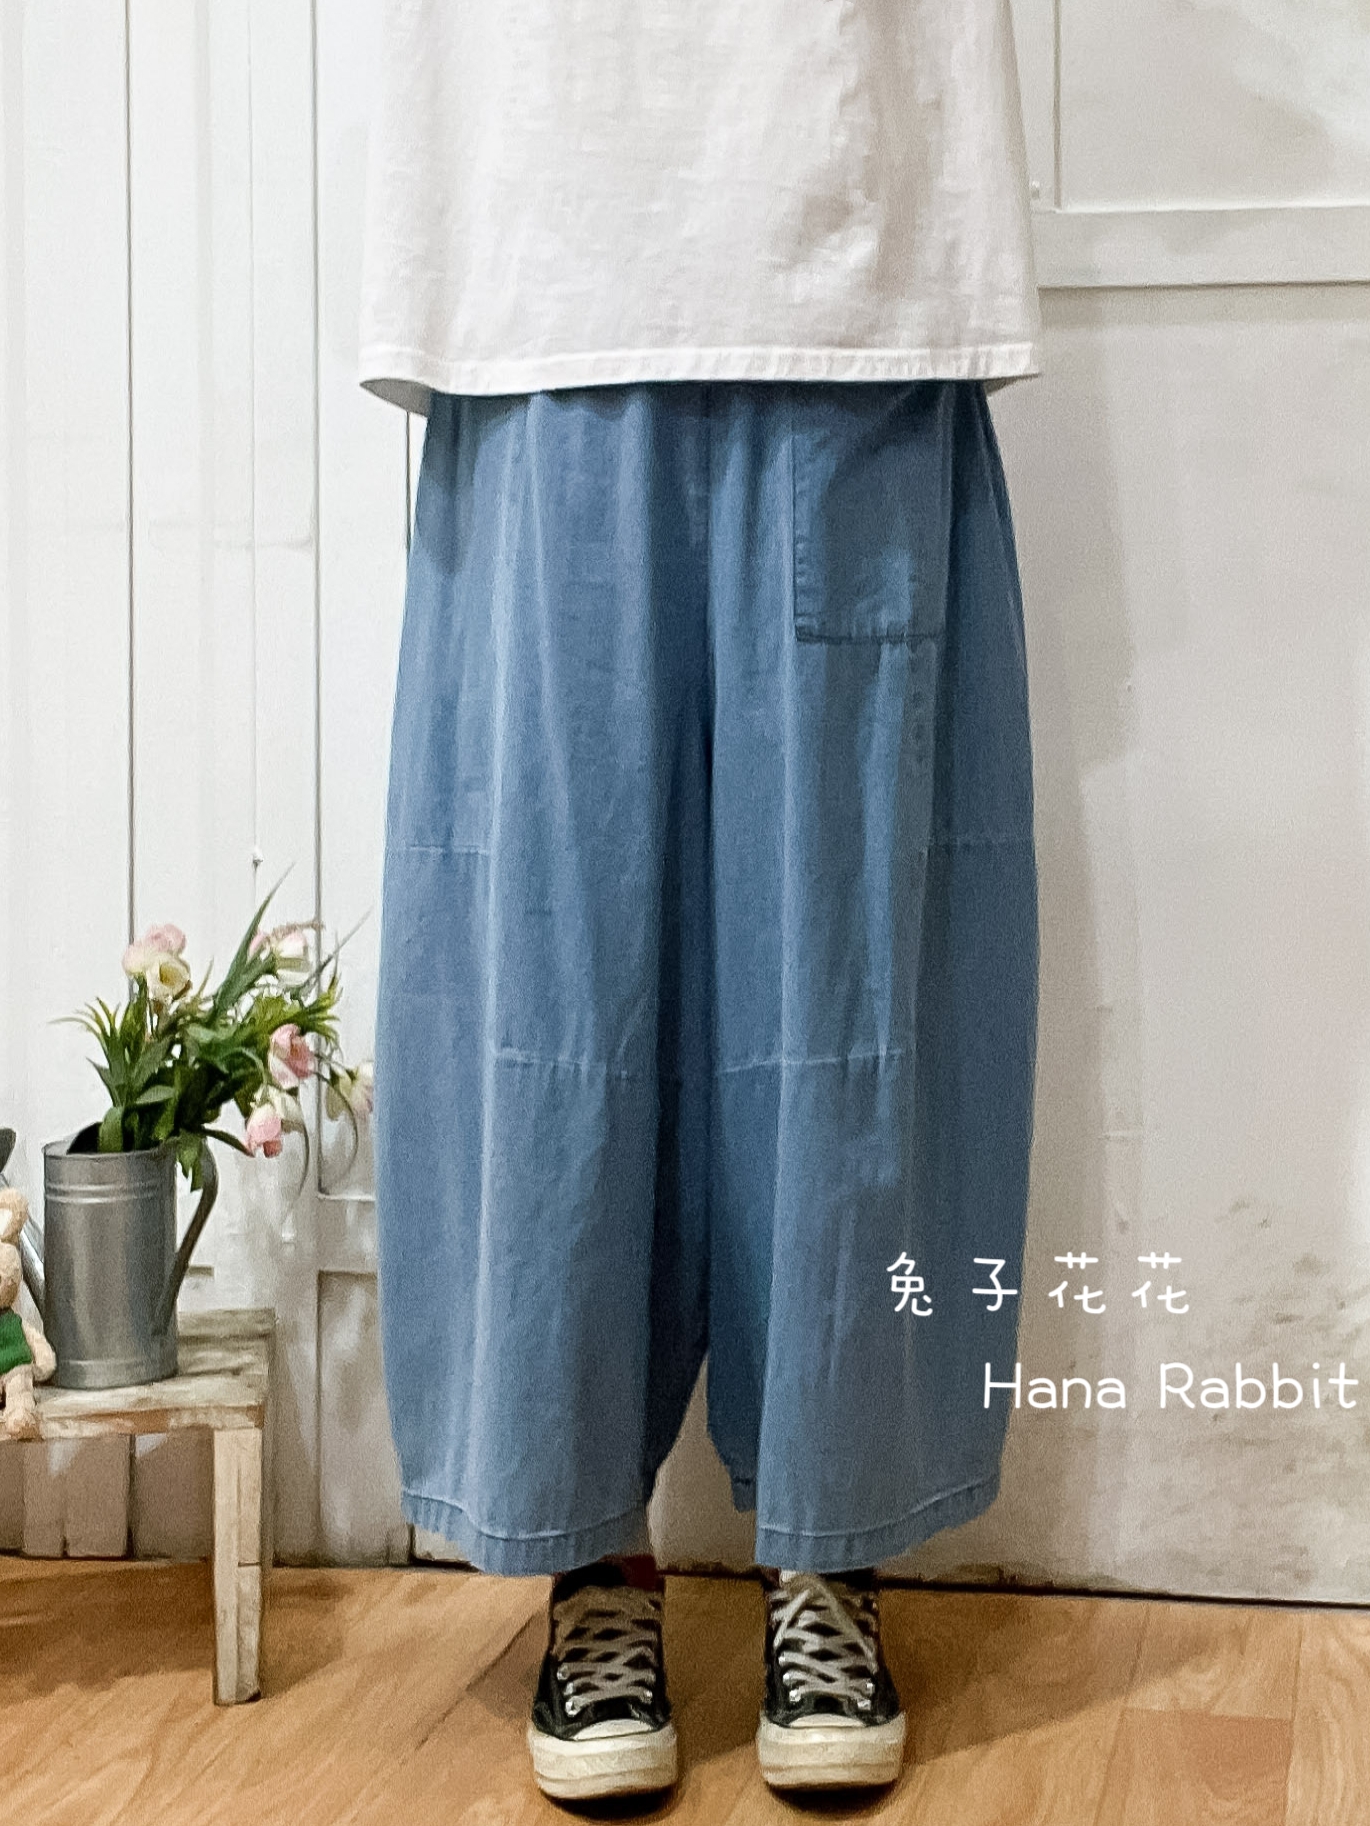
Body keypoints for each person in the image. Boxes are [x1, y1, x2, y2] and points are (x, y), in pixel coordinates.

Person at [358, 0, 1042, 1801]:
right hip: (540, 245)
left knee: (848, 978)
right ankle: (594, 1555)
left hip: (847, 224)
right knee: (552, 970)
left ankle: (832, 1543)